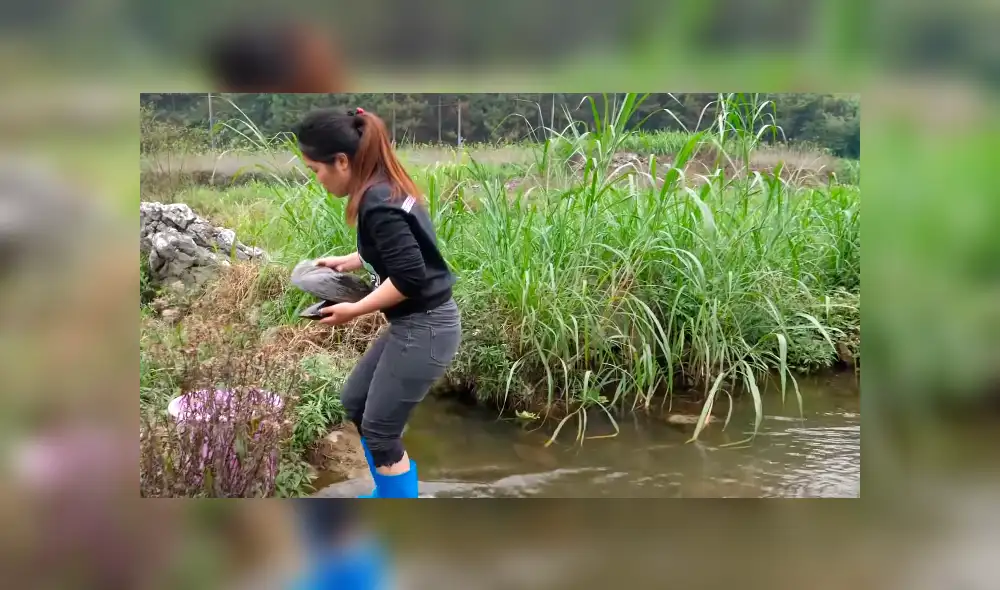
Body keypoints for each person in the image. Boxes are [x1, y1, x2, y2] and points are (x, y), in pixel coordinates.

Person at [293, 107, 461, 499]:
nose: (317, 179)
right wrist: (349, 260)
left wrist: (354, 309)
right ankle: (391, 493)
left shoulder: (377, 203)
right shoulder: (383, 186)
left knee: (382, 431)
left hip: (427, 327)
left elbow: (408, 277)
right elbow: (398, 251)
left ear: (341, 161)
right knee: (355, 403)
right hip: (416, 324)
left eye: (315, 169)